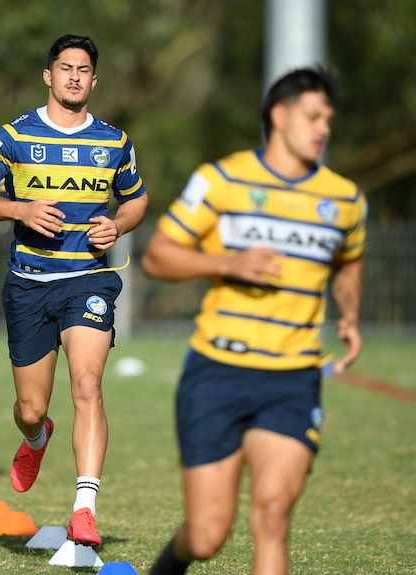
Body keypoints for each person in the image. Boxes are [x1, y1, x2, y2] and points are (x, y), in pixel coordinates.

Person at [141, 66, 366, 575]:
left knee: (272, 517)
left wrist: (349, 313)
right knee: (206, 536)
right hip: (217, 372)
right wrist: (226, 263)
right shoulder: (221, 179)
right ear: (279, 115)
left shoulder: (345, 199)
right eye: (313, 116)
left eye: (328, 118)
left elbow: (350, 258)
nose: (323, 128)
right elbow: (158, 256)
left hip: (293, 379)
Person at [0, 34, 148, 547]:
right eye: (66, 68)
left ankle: (84, 507)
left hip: (88, 280)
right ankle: (37, 438)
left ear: (94, 80)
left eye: (84, 70)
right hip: (29, 286)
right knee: (31, 409)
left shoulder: (114, 141)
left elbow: (136, 199)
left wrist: (119, 224)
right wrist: (19, 209)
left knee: (87, 385)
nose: (74, 77)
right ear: (49, 75)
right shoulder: (13, 136)